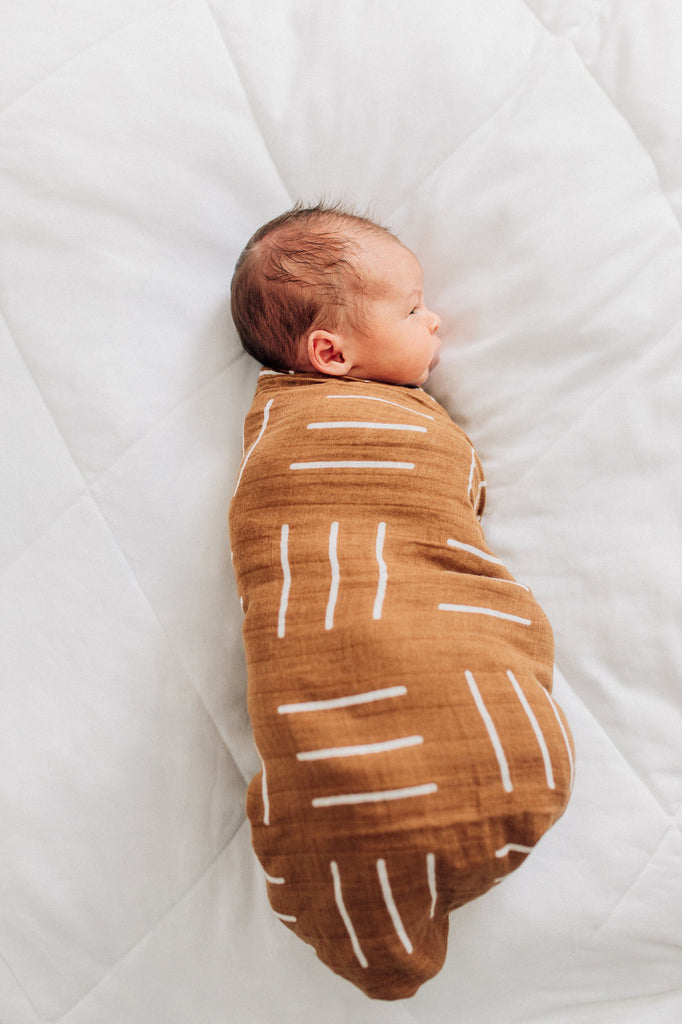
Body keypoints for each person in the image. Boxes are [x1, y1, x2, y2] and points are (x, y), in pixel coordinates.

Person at [228, 203, 574, 1001]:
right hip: (332, 626)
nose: (435, 319)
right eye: (413, 309)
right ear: (332, 353)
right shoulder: (293, 438)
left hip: (420, 619)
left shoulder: (373, 414)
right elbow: (290, 542)